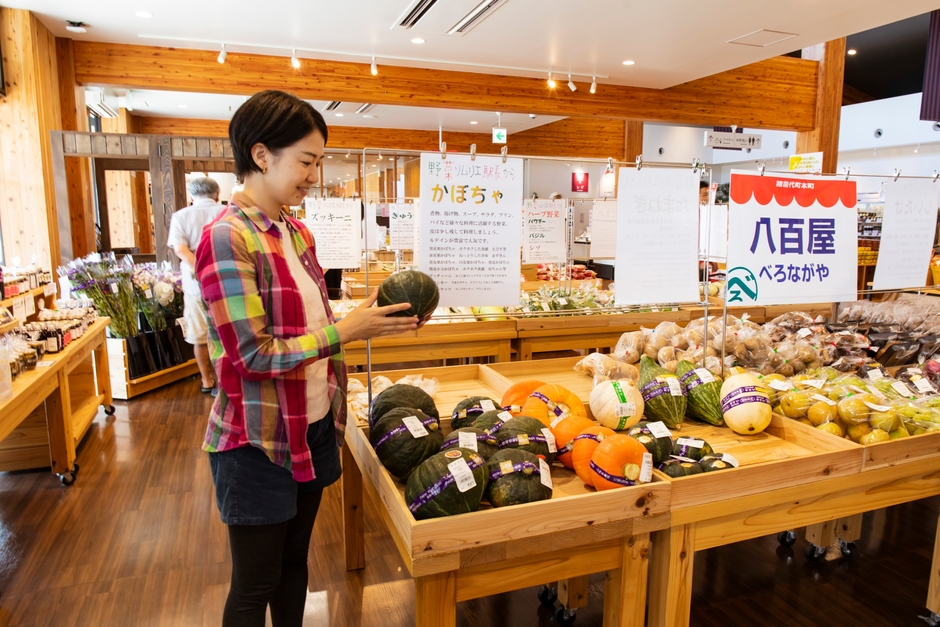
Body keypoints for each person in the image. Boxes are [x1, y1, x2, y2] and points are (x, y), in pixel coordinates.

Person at [195, 89, 419, 627]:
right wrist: (346, 331)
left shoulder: (296, 233)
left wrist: (369, 316)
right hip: (257, 440)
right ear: (260, 155)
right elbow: (252, 354)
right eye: (306, 161)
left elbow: (313, 327)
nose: (314, 176)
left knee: (295, 564)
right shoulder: (227, 238)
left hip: (313, 422)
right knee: (255, 583)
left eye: (318, 162)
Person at [167, 176, 224, 393]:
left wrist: (201, 268)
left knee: (200, 335)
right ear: (217, 195)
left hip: (194, 284)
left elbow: (180, 249)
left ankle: (206, 381)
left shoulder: (181, 216)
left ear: (192, 196)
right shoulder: (227, 212)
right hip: (225, 280)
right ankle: (225, 382)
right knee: (226, 333)